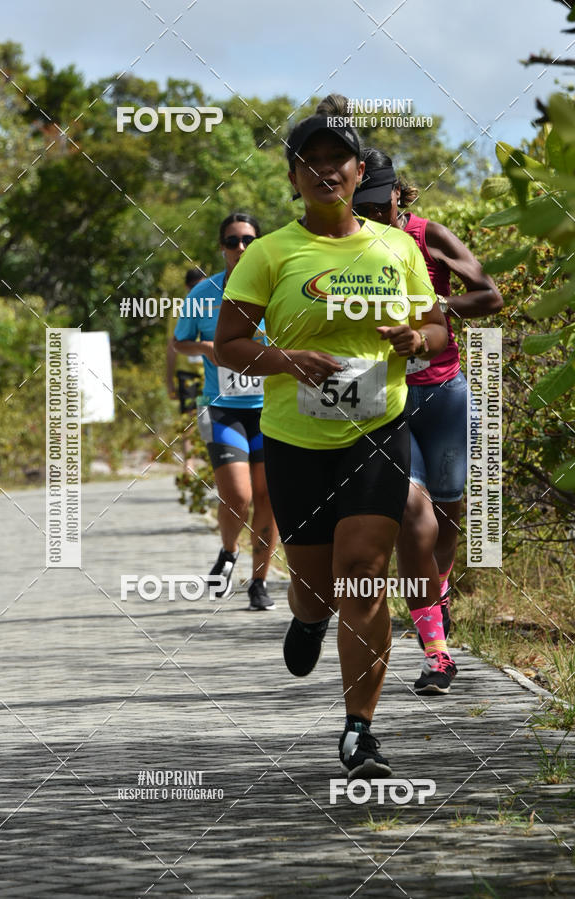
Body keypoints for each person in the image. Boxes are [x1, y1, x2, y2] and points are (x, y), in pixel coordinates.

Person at [215, 115, 448, 778]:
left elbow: (434, 326)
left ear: (358, 172)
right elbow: (231, 344)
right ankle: (309, 617)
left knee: (364, 579)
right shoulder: (270, 254)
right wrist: (286, 359)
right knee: (317, 588)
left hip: (376, 430)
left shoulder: (396, 248)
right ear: (293, 178)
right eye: (309, 161)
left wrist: (415, 340)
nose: (325, 170)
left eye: (337, 160)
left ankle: (359, 732)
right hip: (295, 441)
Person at [353, 146, 503, 694]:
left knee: (448, 516)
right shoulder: (346, 243)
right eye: (359, 205)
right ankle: (436, 649)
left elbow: (491, 295)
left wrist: (434, 310)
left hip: (443, 393)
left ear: (398, 192)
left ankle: (432, 613)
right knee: (412, 516)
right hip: (382, 396)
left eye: (377, 204)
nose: (369, 215)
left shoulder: (427, 233)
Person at [172, 215, 278, 611]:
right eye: (232, 241)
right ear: (221, 247)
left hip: (271, 408)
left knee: (268, 497)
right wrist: (207, 350)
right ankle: (229, 552)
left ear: (260, 244)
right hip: (223, 408)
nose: (240, 248)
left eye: (248, 240)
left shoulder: (277, 285)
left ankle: (259, 581)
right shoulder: (203, 292)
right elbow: (181, 341)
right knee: (238, 494)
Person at [167, 267, 204, 474]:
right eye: (192, 287)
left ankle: (209, 459)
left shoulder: (213, 304)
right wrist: (169, 379)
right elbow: (171, 346)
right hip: (186, 371)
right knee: (187, 417)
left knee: (209, 417)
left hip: (209, 370)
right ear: (186, 287)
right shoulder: (178, 309)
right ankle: (188, 461)